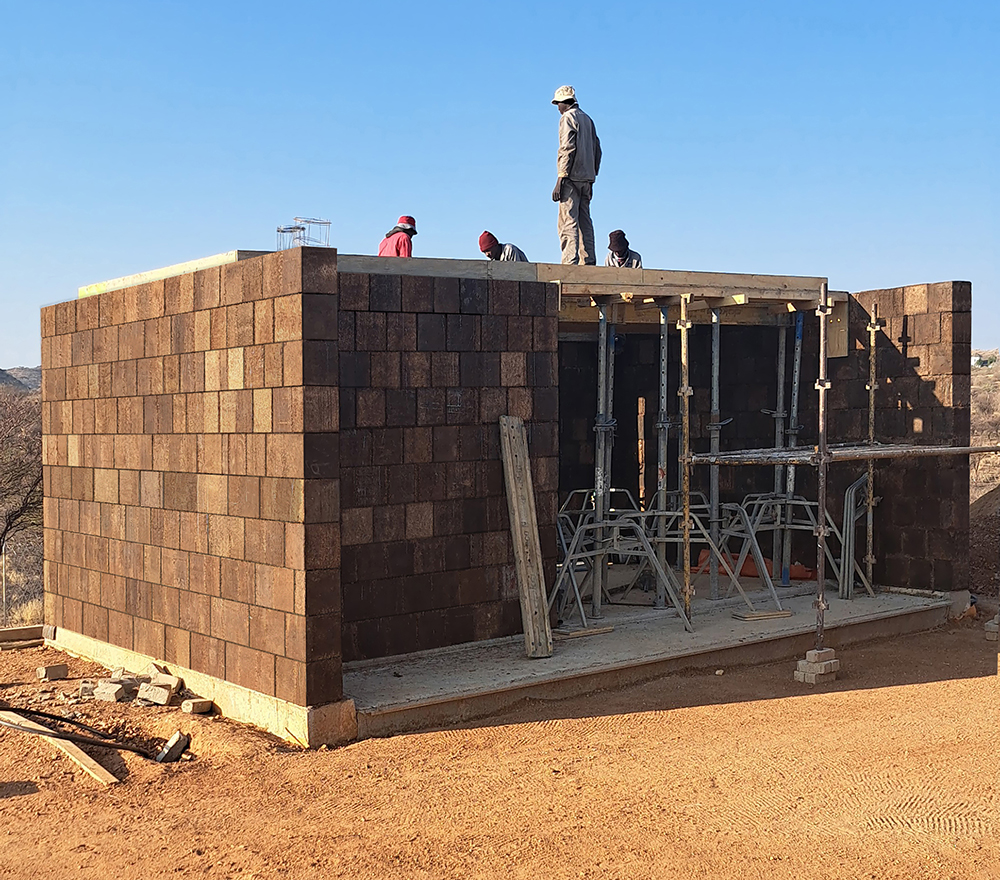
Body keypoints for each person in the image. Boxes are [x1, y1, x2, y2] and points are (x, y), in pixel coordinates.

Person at [551, 85, 601, 265]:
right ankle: (588, 261)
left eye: (558, 104)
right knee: (585, 221)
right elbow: (597, 149)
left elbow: (567, 149)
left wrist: (560, 178)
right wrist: (592, 175)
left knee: (568, 221)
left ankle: (569, 262)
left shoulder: (568, 118)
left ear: (565, 103)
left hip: (571, 178)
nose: (558, 108)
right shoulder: (588, 119)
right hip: (586, 179)